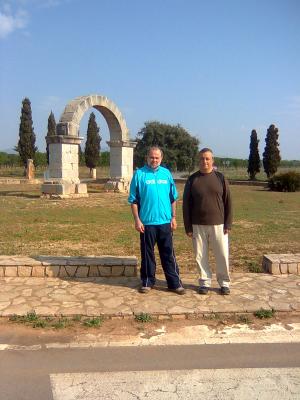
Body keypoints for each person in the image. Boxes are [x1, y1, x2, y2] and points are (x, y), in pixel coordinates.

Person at [128, 146, 185, 295]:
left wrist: (174, 217)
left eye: (157, 158)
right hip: (147, 223)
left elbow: (173, 198)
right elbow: (133, 200)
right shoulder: (139, 175)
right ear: (147, 157)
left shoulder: (166, 174)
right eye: (152, 157)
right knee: (147, 255)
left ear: (161, 158)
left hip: (165, 222)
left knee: (168, 254)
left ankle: (174, 283)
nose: (154, 160)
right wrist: (137, 220)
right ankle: (147, 281)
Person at [182, 148, 232, 295]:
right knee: (200, 255)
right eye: (202, 159)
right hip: (198, 225)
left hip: (219, 224)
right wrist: (188, 226)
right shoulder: (192, 179)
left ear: (212, 160)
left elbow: (228, 201)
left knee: (222, 254)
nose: (204, 161)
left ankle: (224, 283)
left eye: (207, 159)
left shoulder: (220, 178)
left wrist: (228, 223)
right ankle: (204, 282)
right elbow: (186, 204)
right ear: (199, 161)